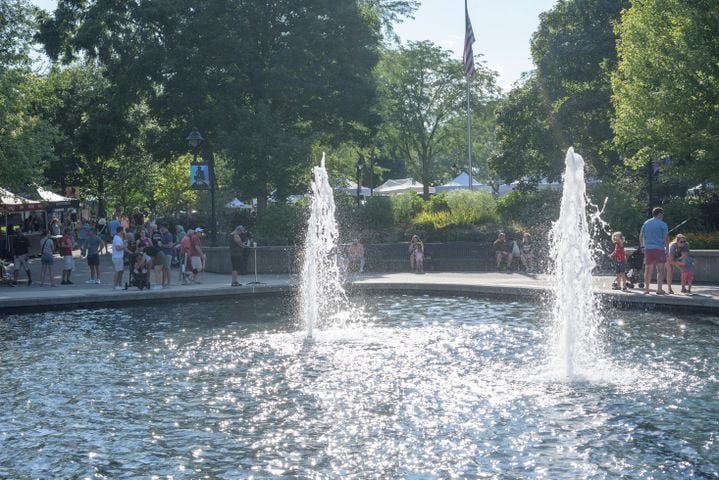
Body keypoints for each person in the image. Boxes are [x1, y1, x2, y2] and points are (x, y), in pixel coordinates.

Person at [639, 207, 669, 294]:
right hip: (659, 249)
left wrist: (642, 246)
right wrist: (667, 249)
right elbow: (666, 238)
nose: (663, 216)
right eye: (662, 214)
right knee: (660, 270)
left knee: (648, 270)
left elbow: (641, 235)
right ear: (659, 214)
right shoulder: (663, 224)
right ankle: (659, 289)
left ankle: (647, 289)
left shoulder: (646, 223)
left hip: (648, 249)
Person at [111, 226, 126, 290]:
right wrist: (124, 246)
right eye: (123, 230)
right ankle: (115, 285)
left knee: (120, 271)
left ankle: (119, 285)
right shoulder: (117, 239)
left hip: (119, 257)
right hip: (117, 258)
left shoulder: (118, 238)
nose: (124, 232)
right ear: (121, 231)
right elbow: (117, 248)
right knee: (117, 271)